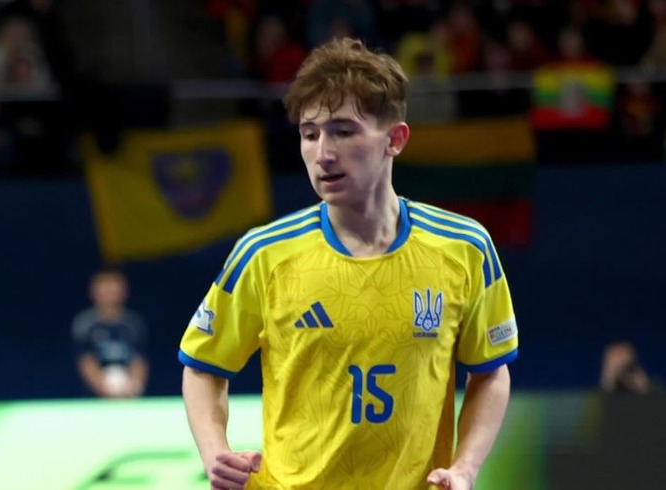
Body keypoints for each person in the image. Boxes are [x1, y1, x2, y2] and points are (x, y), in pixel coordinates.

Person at [179, 37, 518, 490]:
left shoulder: (465, 248)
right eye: (310, 134)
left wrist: (465, 468)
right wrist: (214, 452)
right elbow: (202, 367)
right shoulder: (263, 254)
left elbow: (491, 371)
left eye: (343, 131)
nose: (323, 153)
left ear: (394, 139)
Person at [72, 268, 148, 398]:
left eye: (114, 288)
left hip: (127, 393)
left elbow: (139, 360)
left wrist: (135, 385)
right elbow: (85, 360)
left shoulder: (133, 323)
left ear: (123, 291)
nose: (110, 293)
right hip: (94, 396)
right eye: (105, 288)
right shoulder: (84, 324)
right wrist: (103, 386)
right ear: (94, 291)